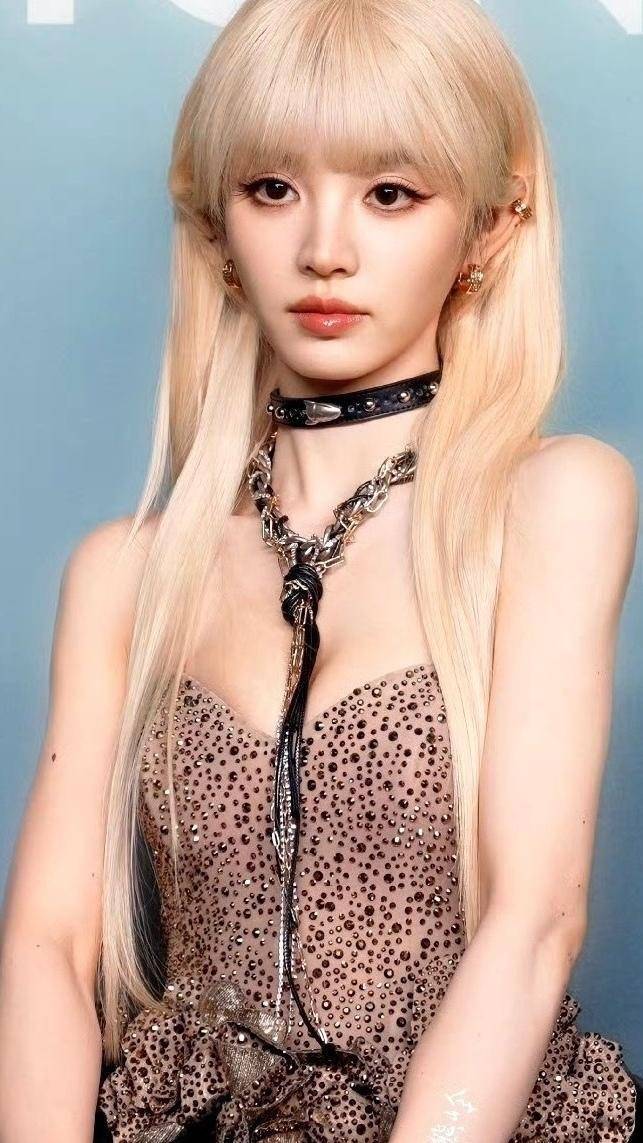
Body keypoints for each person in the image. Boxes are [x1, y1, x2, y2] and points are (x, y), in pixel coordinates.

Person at [0, 0, 641, 1138]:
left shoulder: (550, 504)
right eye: (272, 189)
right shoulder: (126, 577)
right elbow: (49, 943)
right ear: (215, 230)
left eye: (390, 193)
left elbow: (535, 919)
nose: (324, 249)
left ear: (491, 227)